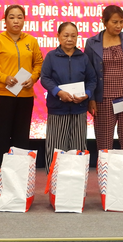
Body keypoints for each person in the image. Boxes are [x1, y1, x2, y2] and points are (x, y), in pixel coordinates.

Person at [0, 4, 43, 182]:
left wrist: (32, 78)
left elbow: (39, 64)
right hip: (3, 95)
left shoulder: (31, 41)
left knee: (22, 140)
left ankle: (20, 182)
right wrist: (4, 77)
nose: (16, 21)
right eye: (12, 17)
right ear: (5, 20)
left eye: (19, 17)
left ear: (24, 20)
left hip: (25, 96)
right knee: (1, 139)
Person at [40, 22, 97, 172]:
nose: (70, 39)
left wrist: (87, 94)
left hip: (79, 109)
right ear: (58, 36)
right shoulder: (51, 56)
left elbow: (92, 80)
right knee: (56, 148)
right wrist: (58, 92)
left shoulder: (83, 57)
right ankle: (55, 186)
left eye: (73, 36)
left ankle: (76, 185)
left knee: (78, 149)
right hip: (58, 108)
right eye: (66, 35)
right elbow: (45, 78)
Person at [85, 5, 123, 151]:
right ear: (104, 21)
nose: (119, 26)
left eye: (121, 22)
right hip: (102, 99)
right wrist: (91, 99)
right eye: (115, 22)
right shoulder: (92, 43)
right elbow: (89, 73)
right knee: (104, 146)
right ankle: (105, 174)